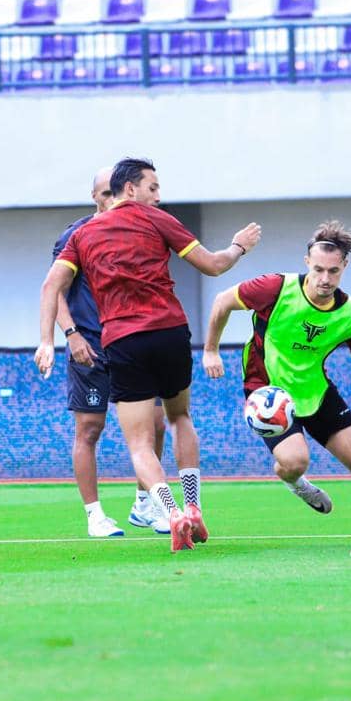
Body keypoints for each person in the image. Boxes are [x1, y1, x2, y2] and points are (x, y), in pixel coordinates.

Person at [35, 157, 261, 552]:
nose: (159, 195)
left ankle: (172, 512)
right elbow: (212, 265)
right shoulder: (159, 221)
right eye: (153, 187)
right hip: (171, 332)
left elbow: (51, 285)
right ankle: (192, 507)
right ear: (131, 189)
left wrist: (44, 339)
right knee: (180, 418)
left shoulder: (83, 235)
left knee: (139, 444)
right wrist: (239, 246)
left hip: (123, 340)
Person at [201, 221, 351, 545]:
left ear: (344, 266)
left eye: (333, 271)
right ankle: (296, 483)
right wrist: (210, 351)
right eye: (318, 269)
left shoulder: (350, 314)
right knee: (294, 462)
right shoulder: (275, 288)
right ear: (307, 264)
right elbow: (221, 301)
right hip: (268, 390)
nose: (325, 279)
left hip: (315, 390)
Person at [48, 167, 170, 538]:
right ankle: (94, 514)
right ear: (95, 197)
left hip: (133, 342)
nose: (110, 200)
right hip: (90, 345)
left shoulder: (137, 231)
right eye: (103, 194)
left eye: (113, 194)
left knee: (157, 424)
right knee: (90, 428)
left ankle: (144, 505)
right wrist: (70, 335)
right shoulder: (76, 235)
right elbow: (54, 290)